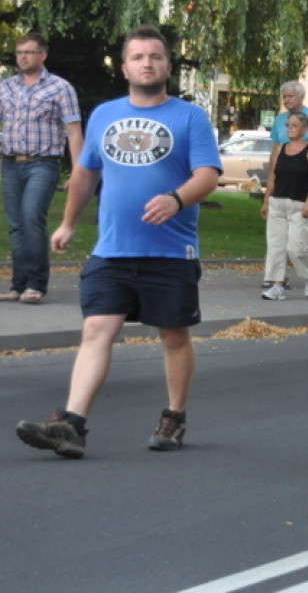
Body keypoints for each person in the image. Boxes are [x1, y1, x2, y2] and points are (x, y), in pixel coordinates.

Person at [15, 26, 222, 458]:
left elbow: (207, 175)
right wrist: (68, 223)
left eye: (155, 57)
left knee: (173, 336)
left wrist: (176, 199)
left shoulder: (189, 117)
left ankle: (174, 416)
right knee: (96, 330)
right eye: (138, 57)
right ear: (125, 67)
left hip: (170, 250)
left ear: (168, 66)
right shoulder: (106, 114)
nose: (147, 63)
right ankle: (72, 424)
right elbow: (86, 173)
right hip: (111, 249)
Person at [0, 32, 83, 303]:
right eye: (19, 52)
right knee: (15, 225)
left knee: (31, 217)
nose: (23, 57)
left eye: (29, 52)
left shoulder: (60, 88)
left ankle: (36, 284)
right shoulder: (6, 87)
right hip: (10, 163)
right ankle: (17, 284)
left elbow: (73, 131)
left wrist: (78, 171)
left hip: (42, 164)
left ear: (43, 55)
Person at [265, 81, 308, 288]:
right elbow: (276, 150)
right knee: (278, 234)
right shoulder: (279, 120)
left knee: (302, 230)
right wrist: (271, 182)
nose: (286, 100)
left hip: (306, 181)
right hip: (284, 183)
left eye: (290, 96)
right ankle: (278, 278)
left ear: (301, 97)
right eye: (284, 97)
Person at [260, 111, 308, 301]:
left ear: (305, 129)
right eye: (288, 125)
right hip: (277, 203)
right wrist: (266, 201)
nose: (290, 128)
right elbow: (272, 177)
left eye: (294, 125)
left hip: (299, 205)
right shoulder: (280, 149)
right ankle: (277, 286)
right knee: (276, 246)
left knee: (297, 247)